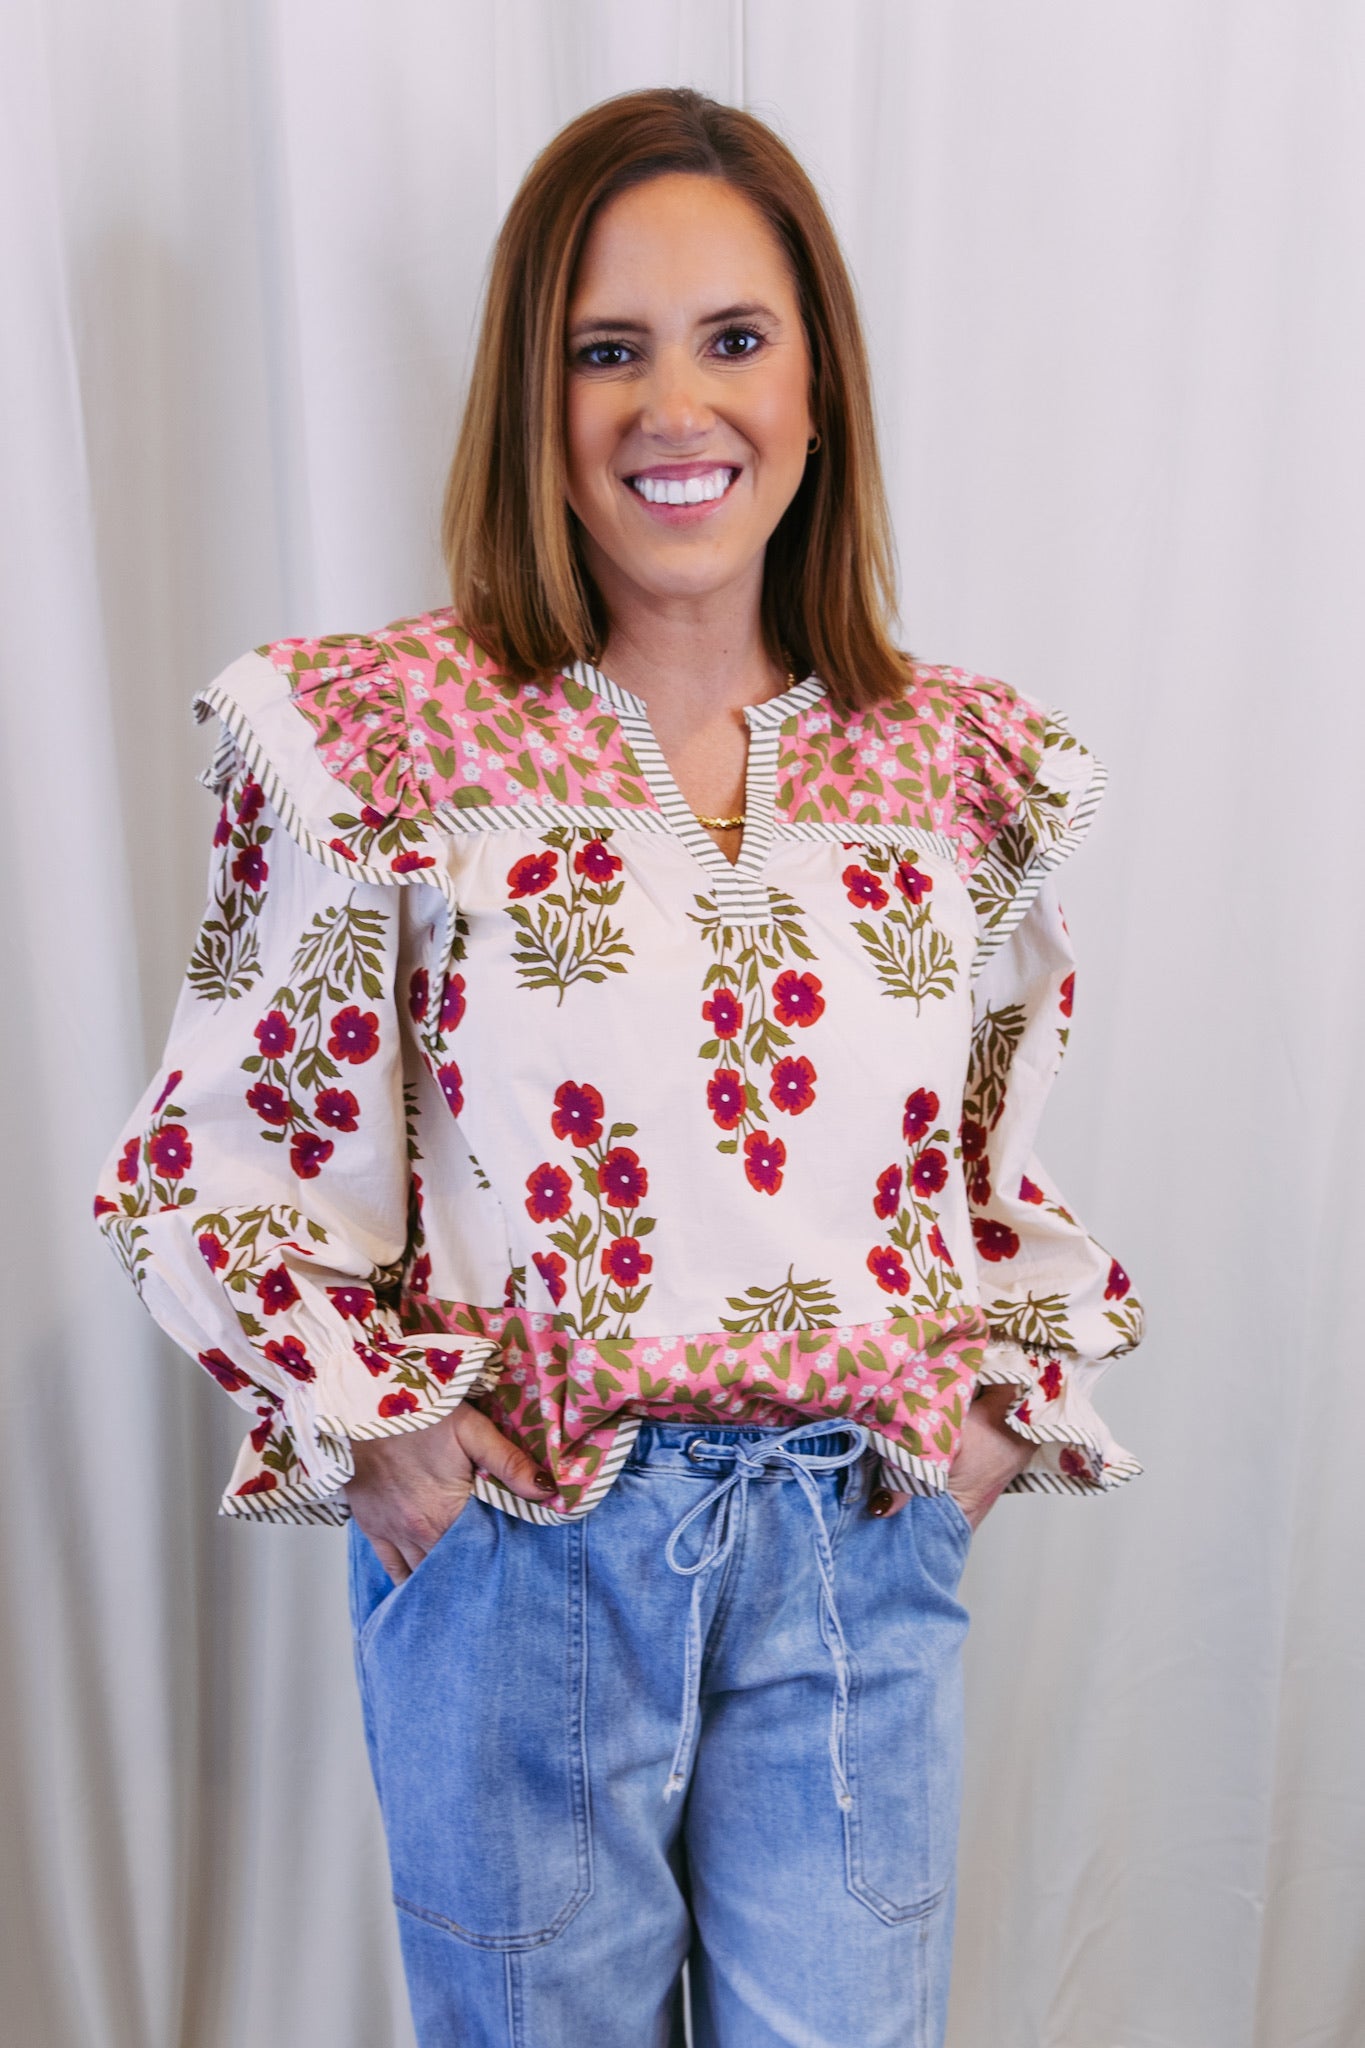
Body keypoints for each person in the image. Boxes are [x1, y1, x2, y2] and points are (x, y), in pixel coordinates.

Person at [95, 86, 1143, 2048]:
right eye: (608, 349)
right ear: (533, 396)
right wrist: (381, 1426)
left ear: (815, 390)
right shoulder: (384, 738)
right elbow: (212, 1152)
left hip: (856, 1543)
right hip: (529, 1552)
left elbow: (982, 1153)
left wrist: (986, 1413)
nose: (677, 406)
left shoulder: (950, 767)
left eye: (733, 339)